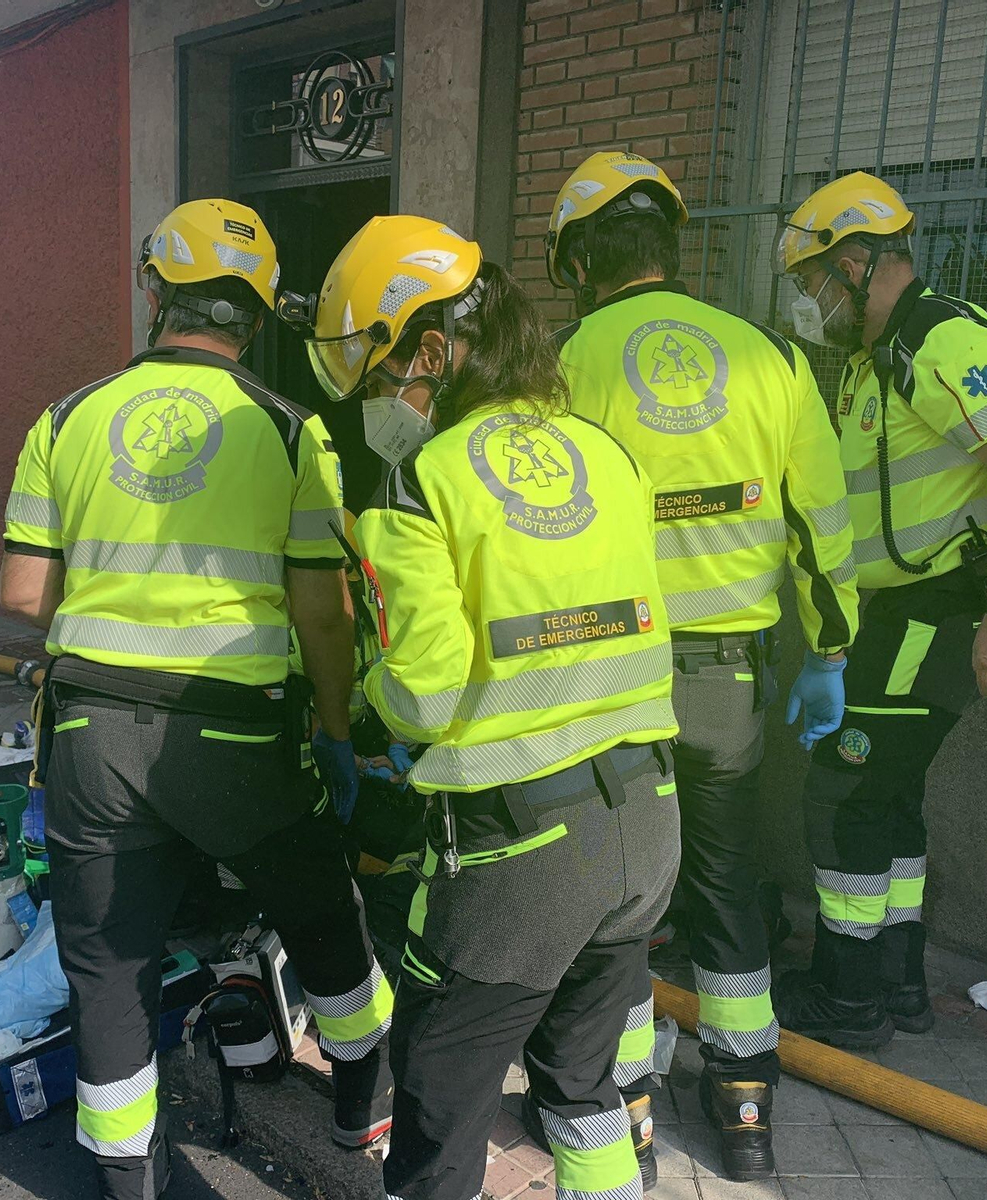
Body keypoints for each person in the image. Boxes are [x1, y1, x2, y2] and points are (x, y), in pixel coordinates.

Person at [0, 198, 394, 1200]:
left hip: (90, 733)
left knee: (109, 967)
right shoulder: (289, 429)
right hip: (236, 738)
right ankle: (361, 1098)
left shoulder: (65, 418)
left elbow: (23, 594)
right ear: (255, 317)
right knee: (321, 910)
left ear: (154, 293)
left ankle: (128, 1175)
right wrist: (336, 731)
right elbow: (325, 614)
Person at [295, 214, 681, 1199]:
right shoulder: (606, 452)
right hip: (646, 826)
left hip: (516, 858)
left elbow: (425, 692)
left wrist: (362, 703)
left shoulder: (418, 484)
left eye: (381, 380)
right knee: (583, 1085)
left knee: (439, 1101)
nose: (381, 406)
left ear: (432, 352)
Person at [545, 149, 859, 1179]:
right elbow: (820, 521)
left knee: (622, 901)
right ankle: (744, 1103)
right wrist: (828, 649)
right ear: (671, 248)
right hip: (730, 682)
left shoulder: (565, 363)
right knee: (727, 883)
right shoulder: (771, 358)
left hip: (609, 682)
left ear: (580, 263)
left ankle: (627, 1104)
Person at [772, 171, 987, 1047]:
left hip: (936, 607)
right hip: (895, 614)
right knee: (888, 796)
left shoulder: (941, 339)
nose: (809, 301)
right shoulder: (873, 361)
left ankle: (847, 996)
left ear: (855, 263)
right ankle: (897, 981)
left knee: (847, 791)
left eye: (812, 280)